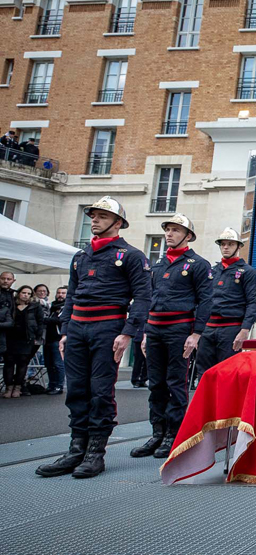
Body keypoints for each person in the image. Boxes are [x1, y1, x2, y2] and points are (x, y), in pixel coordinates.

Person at [36, 197, 152, 479]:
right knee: (76, 390)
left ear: (118, 222)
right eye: (93, 216)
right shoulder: (81, 256)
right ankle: (76, 449)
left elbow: (143, 297)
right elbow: (71, 296)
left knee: (100, 391)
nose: (95, 220)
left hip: (108, 327)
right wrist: (65, 331)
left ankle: (95, 453)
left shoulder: (131, 255)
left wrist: (127, 332)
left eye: (102, 216)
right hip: (77, 327)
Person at [132, 213, 213, 460]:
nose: (169, 234)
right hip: (154, 329)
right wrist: (145, 333)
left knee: (175, 382)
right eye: (167, 229)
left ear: (188, 236)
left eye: (176, 230)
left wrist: (196, 334)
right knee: (155, 383)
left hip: (179, 329)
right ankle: (157, 432)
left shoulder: (198, 264)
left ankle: (173, 434)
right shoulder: (157, 265)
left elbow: (205, 301)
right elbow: (149, 299)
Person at [196, 228, 256, 379]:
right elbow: (201, 300)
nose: (225, 247)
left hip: (231, 328)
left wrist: (245, 330)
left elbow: (253, 303)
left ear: (238, 246)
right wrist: (196, 330)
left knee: (228, 372)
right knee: (204, 372)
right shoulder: (212, 271)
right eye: (223, 244)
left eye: (230, 244)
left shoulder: (248, 272)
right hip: (208, 327)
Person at [1, 285, 45, 398]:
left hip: (27, 338)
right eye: (24, 293)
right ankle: (8, 387)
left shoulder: (35, 306)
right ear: (19, 293)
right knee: (9, 362)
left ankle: (18, 387)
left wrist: (38, 337)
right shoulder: (12, 305)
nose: (26, 295)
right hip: (10, 337)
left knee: (22, 362)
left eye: (28, 293)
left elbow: (40, 322)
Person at [44, 286, 67, 394]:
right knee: (49, 364)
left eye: (63, 293)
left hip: (58, 339)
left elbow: (60, 319)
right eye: (58, 292)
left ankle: (59, 386)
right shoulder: (51, 306)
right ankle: (51, 385)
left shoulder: (67, 307)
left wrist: (45, 320)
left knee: (58, 364)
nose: (60, 295)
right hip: (47, 338)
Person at [0, 271, 15, 357]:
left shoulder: (14, 294)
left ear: (13, 281)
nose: (5, 281)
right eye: (3, 278)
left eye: (8, 279)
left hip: (11, 332)